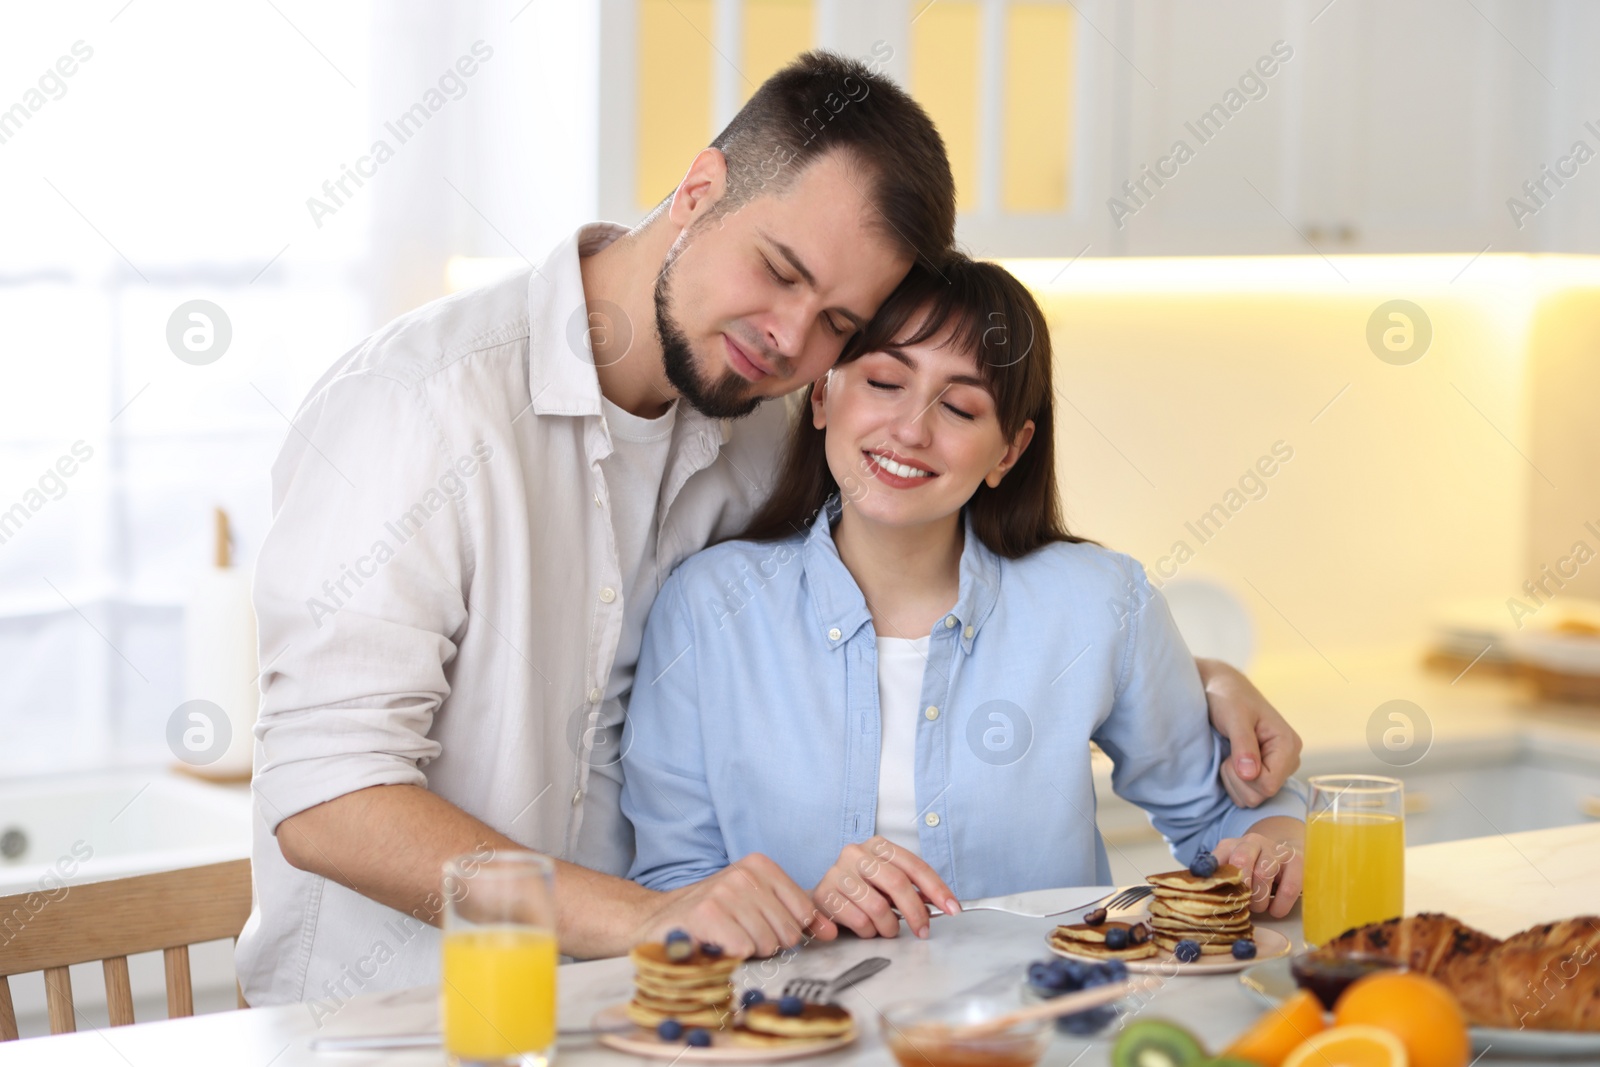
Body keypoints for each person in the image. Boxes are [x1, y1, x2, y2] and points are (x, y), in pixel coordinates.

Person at [238, 51, 1299, 1006]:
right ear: (698, 190)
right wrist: (647, 916)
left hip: (644, 1012)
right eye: (781, 270)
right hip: (389, 1020)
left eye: (837, 321)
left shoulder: (760, 412)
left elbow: (920, 597)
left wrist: (1185, 676)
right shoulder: (423, 406)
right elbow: (327, 795)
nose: (792, 337)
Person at [621, 256, 1307, 940]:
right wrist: (811, 910)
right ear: (823, 397)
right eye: (885, 381)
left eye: (959, 405)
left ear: (1009, 450)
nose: (912, 430)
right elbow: (675, 886)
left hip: (1045, 1029)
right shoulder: (708, 609)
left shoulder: (1099, 603)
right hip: (799, 1036)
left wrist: (1273, 845)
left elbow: (1227, 818)